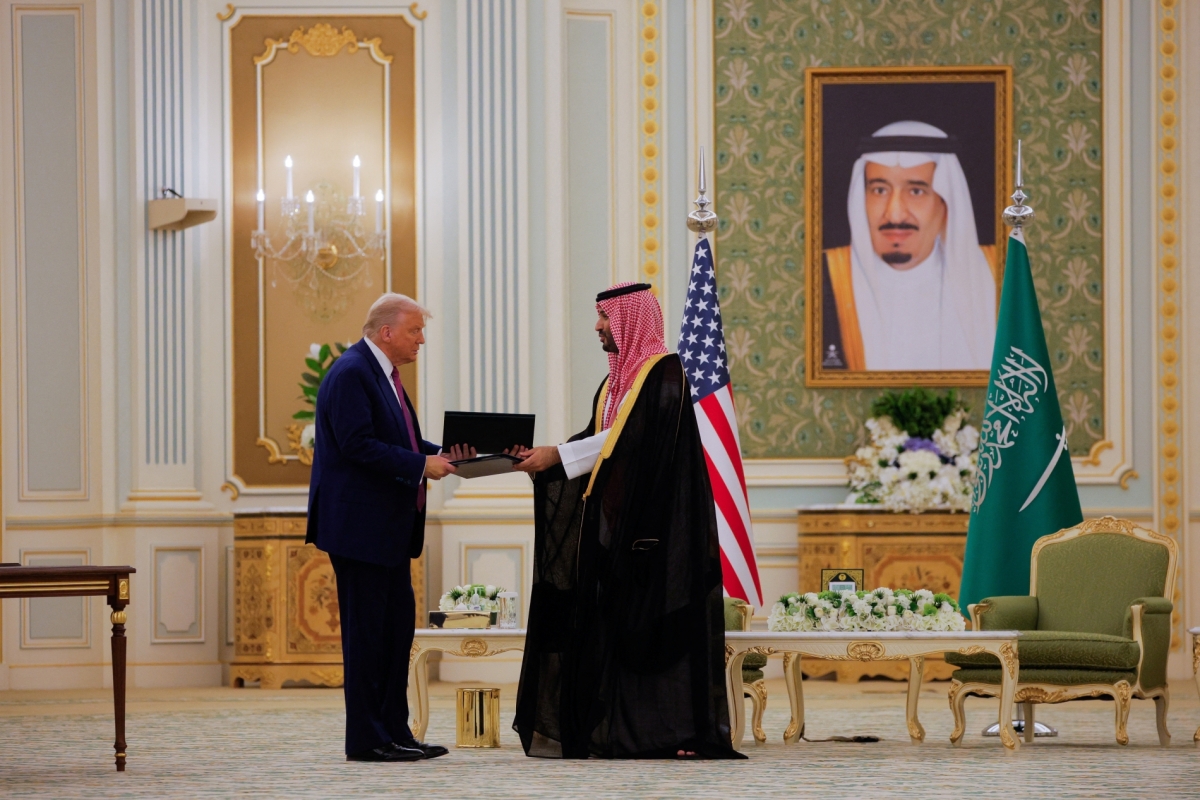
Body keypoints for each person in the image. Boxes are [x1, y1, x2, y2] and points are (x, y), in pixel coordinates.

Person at [511, 282, 742, 760]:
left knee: (656, 631)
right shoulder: (614, 383)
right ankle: (611, 731)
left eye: (605, 317)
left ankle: (671, 733)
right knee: (609, 629)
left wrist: (559, 455)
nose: (598, 327)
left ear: (630, 320)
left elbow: (632, 437)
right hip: (613, 531)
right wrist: (545, 458)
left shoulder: (666, 373)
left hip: (657, 534)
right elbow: (598, 438)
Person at [306, 293, 459, 763]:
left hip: (385, 531)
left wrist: (445, 453)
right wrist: (421, 465)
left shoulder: (382, 373)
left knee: (393, 636)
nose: (421, 340)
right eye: (415, 330)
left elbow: (399, 439)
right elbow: (357, 445)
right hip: (360, 531)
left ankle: (396, 732)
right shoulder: (352, 372)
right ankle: (367, 740)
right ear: (387, 332)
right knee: (368, 639)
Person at [821, 120, 997, 372]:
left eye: (916, 192)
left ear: (946, 202)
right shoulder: (821, 278)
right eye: (879, 190)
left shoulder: (999, 275)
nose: (894, 214)